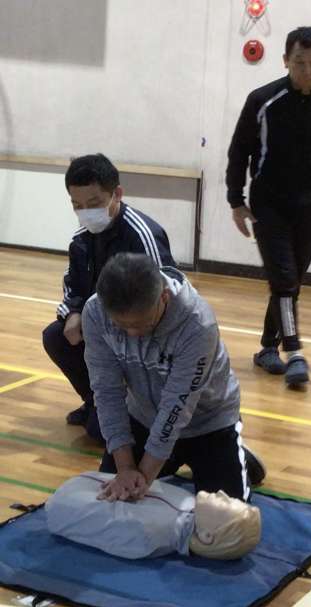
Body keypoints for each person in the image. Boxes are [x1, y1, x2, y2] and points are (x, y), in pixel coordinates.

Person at [226, 26, 311, 386]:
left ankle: (267, 348)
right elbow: (239, 151)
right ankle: (295, 353)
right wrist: (236, 200)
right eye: (300, 62)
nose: (307, 70)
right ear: (286, 60)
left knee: (291, 280)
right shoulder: (262, 100)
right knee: (284, 278)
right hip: (268, 204)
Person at [81, 252, 266, 501]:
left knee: (227, 517)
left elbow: (177, 407)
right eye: (122, 326)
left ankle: (233, 455)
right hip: (143, 416)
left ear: (164, 297)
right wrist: (125, 469)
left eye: (143, 324)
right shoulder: (95, 312)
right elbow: (106, 390)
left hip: (208, 423)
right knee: (112, 501)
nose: (133, 334)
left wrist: (143, 479)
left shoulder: (197, 324)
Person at [42, 153, 176, 439]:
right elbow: (73, 286)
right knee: (55, 336)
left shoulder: (142, 234)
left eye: (94, 204)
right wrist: (73, 313)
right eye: (77, 206)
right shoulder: (81, 239)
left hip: (138, 333)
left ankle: (135, 407)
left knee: (103, 434)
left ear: (117, 194)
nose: (85, 212)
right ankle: (94, 401)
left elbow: (165, 292)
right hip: (103, 330)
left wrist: (126, 324)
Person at [45, 471, 261, 560]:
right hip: (81, 486)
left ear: (206, 536)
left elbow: (98, 519)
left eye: (225, 504)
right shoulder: (187, 502)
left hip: (65, 500)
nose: (222, 494)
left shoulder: (146, 535)